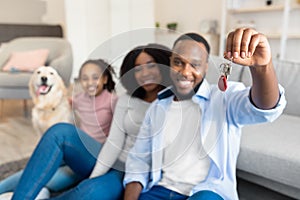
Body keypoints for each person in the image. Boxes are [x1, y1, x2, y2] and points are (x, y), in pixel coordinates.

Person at [123, 28, 287, 200]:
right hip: (160, 190)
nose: (185, 72)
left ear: (206, 66)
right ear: (170, 62)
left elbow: (265, 108)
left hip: (206, 192)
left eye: (194, 64)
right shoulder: (157, 107)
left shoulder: (223, 98)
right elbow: (138, 160)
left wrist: (262, 67)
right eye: (178, 62)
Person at [10, 43, 172, 200]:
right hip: (113, 161)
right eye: (137, 68)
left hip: (135, 175)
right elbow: (114, 143)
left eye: (151, 65)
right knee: (59, 132)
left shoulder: (176, 102)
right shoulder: (126, 100)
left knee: (90, 193)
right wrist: (94, 177)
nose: (144, 73)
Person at [0, 59, 118, 199]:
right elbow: (63, 100)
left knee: (51, 180)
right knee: (32, 173)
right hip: (75, 153)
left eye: (95, 78)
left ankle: (37, 192)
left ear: (105, 79)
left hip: (97, 155)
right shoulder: (80, 99)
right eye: (85, 78)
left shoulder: (114, 101)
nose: (90, 82)